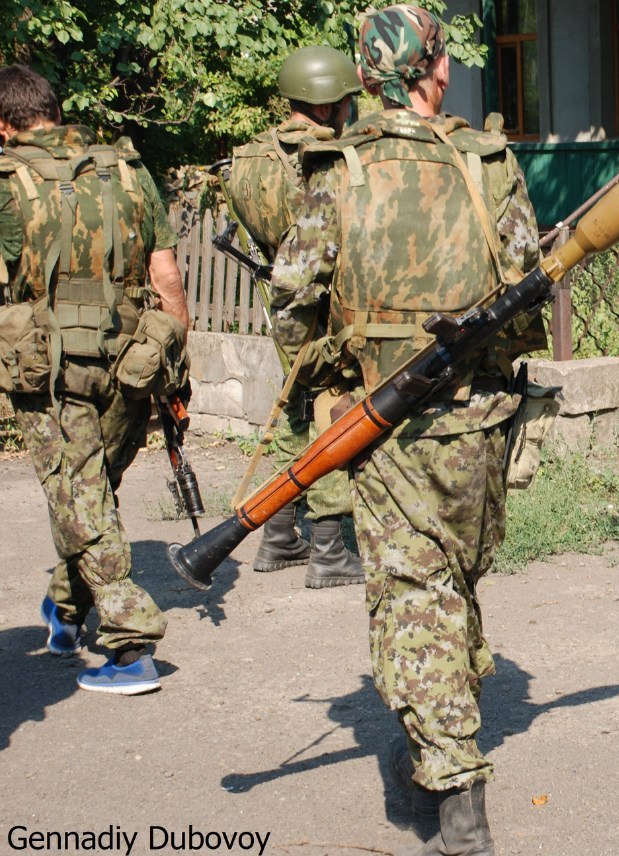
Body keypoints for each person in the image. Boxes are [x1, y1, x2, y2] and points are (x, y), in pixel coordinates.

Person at [270, 5, 543, 853]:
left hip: (384, 428)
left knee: (416, 592)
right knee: (453, 579)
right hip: (485, 422)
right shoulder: (487, 162)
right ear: (438, 69)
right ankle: (435, 747)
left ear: (365, 76)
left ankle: (456, 798)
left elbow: (290, 301)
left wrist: (332, 373)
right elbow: (530, 278)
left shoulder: (338, 169)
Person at [0, 65, 189, 694]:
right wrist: (174, 374)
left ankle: (131, 645)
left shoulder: (7, 183)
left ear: (6, 124)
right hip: (131, 362)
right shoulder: (127, 171)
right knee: (90, 492)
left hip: (50, 370)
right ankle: (66, 605)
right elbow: (167, 277)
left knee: (78, 497)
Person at [222, 46, 364, 586]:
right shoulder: (325, 158)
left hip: (277, 300)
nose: (351, 110)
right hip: (321, 303)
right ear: (328, 105)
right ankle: (329, 545)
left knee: (296, 411)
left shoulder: (248, 157)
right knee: (332, 411)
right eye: (347, 101)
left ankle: (279, 532)